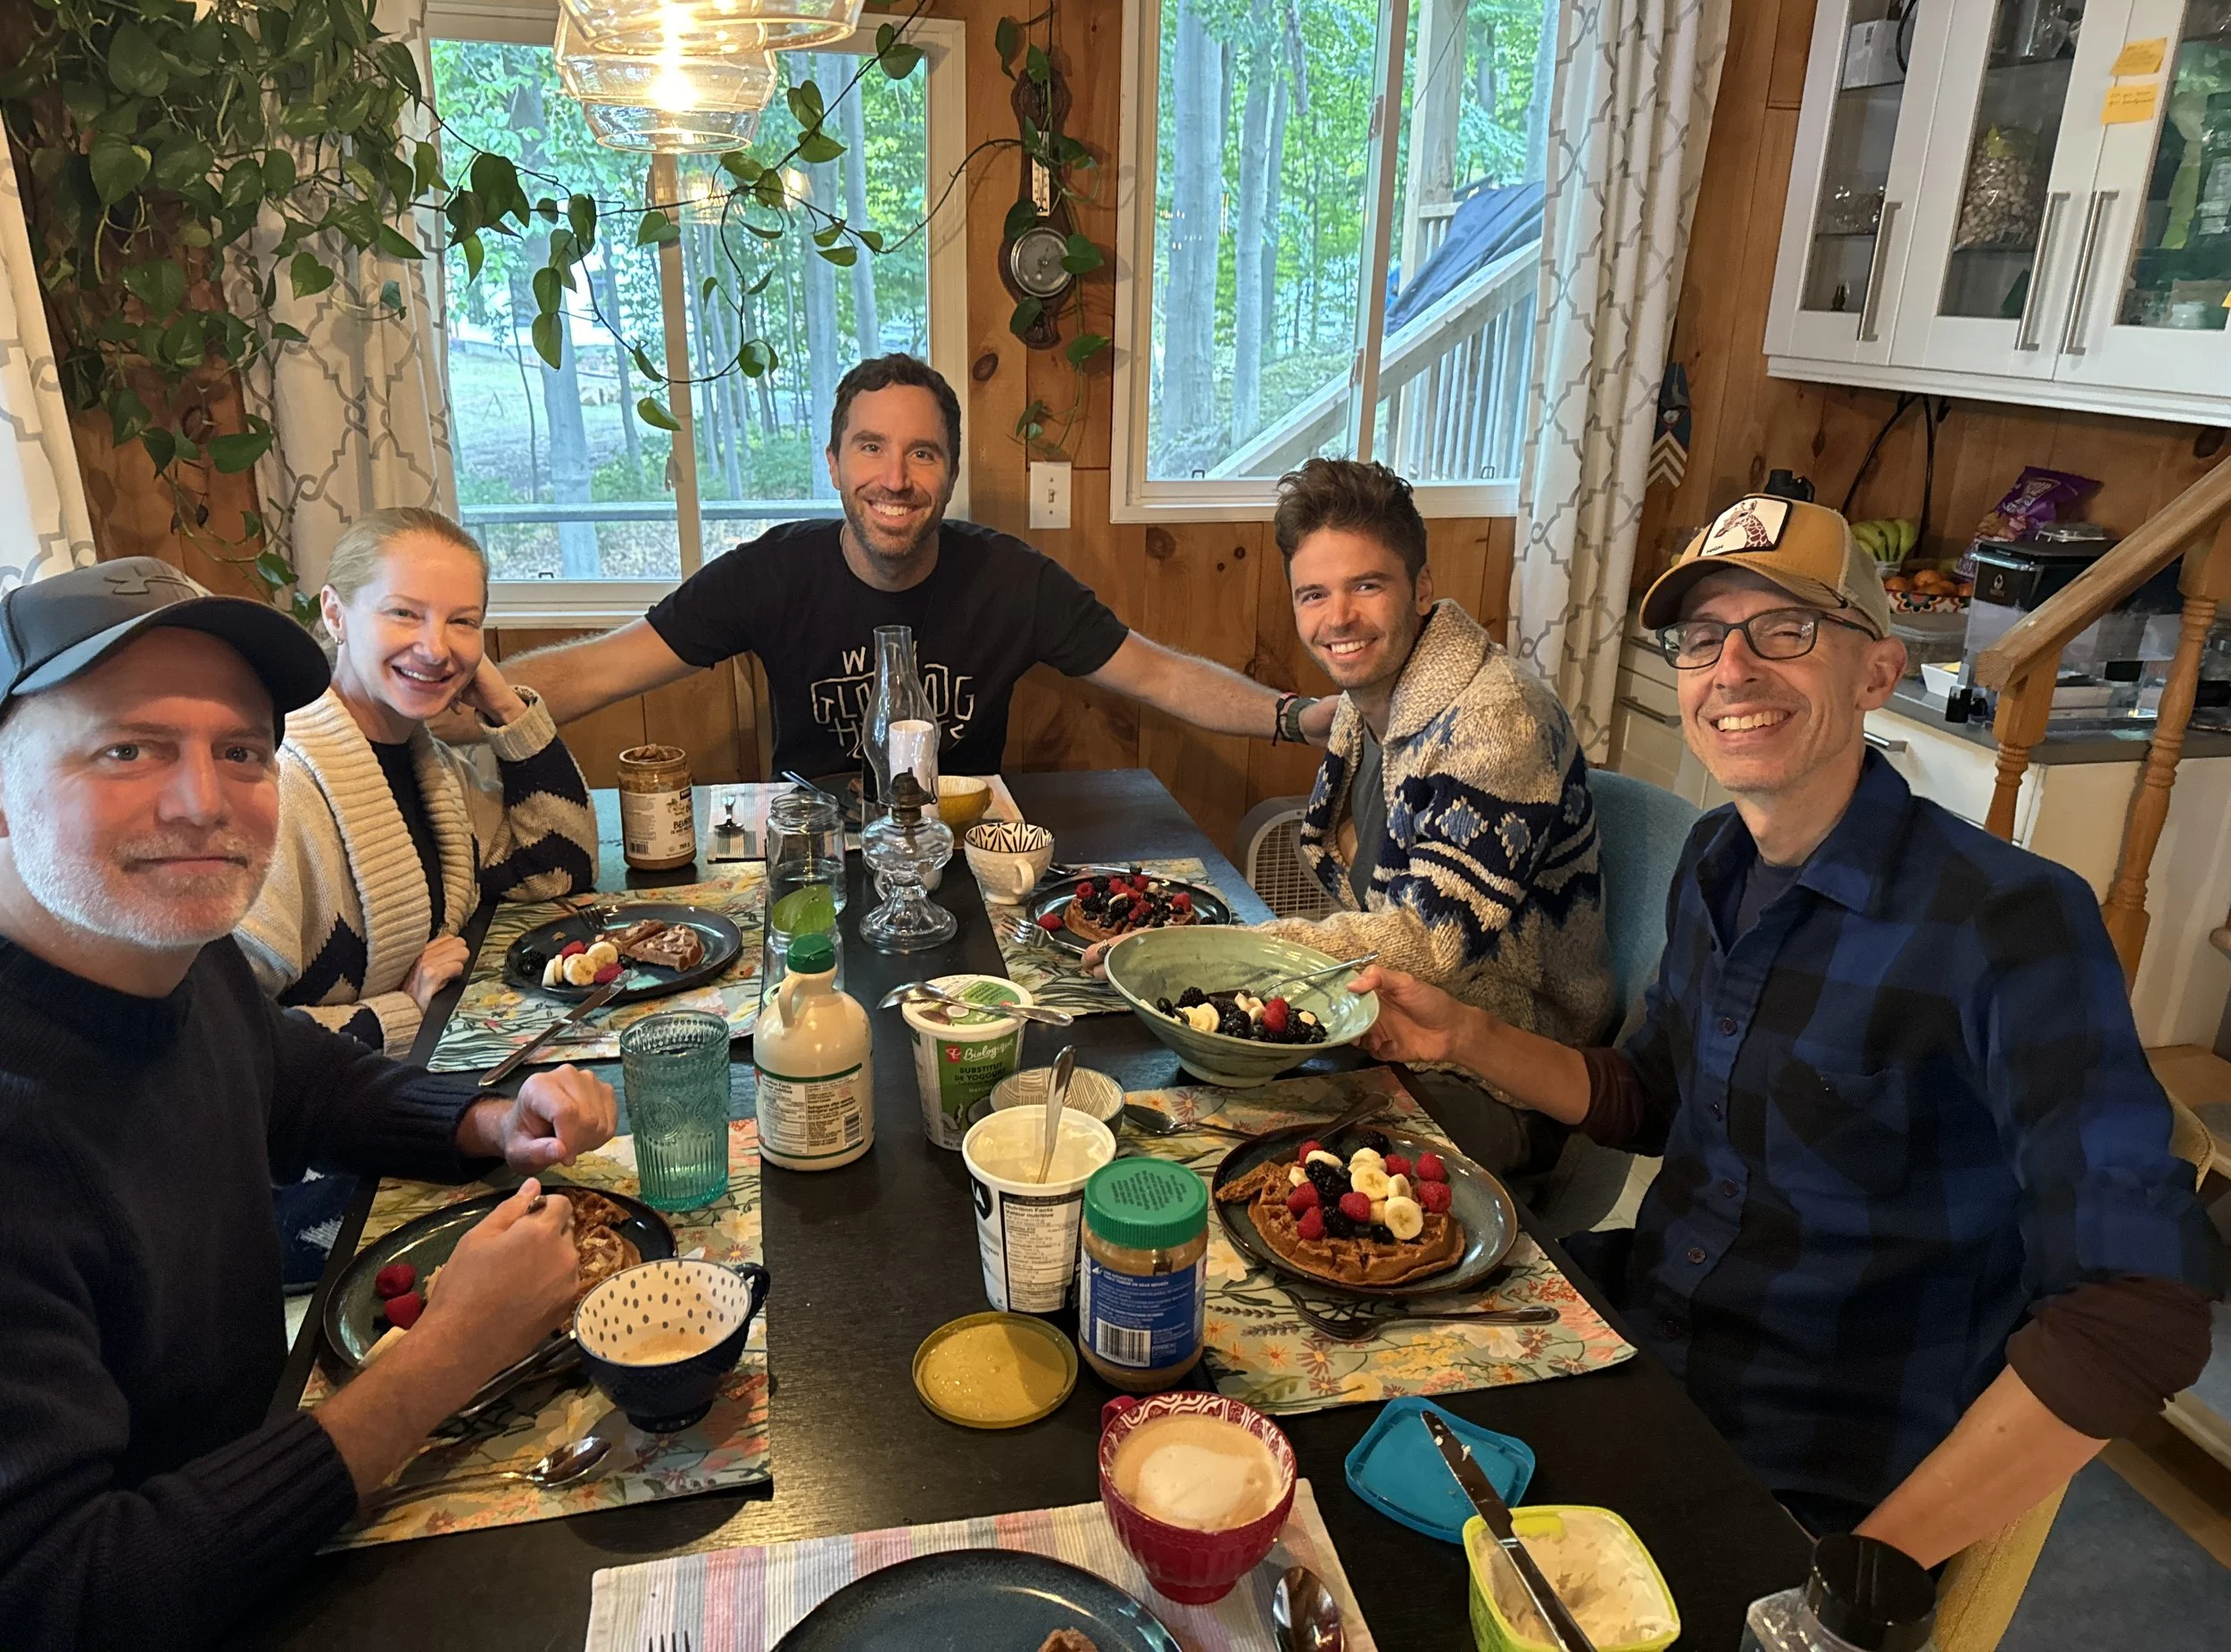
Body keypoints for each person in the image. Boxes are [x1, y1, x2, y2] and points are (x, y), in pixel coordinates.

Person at [1347, 495, 2218, 1565]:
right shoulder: (1717, 857)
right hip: (1640, 1346)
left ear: (1876, 673)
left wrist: (1855, 1583)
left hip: (1807, 1466)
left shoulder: (2009, 922)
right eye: (1704, 639)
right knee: (1335, 1427)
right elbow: (1651, 1097)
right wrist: (1462, 1037)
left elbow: (2136, 1308)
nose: (1733, 669)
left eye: (1786, 630)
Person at [0, 557, 618, 1648]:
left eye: (239, 751)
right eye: (128, 749)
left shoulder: (176, 964)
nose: (201, 802)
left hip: (269, 1492)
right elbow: (67, 1593)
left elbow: (296, 1076)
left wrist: (480, 1118)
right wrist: (446, 1356)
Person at [1092, 458, 1613, 1172]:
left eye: (1367, 585)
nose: (1337, 618)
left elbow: (1431, 939)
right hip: (1392, 1025)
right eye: (1313, 594)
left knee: (1213, 1147)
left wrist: (1233, 954)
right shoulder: (1368, 701)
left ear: (1422, 587)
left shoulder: (1497, 721)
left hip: (1504, 1079)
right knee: (1167, 1077)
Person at [501, 353, 1336, 776]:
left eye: (922, 454)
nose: (895, 479)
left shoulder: (1014, 580)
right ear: (833, 463)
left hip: (967, 866)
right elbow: (606, 668)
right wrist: (466, 701)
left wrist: (1301, 718)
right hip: (811, 873)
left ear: (950, 473)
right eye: (871, 448)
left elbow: (1160, 677)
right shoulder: (769, 574)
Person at [236, 508, 597, 1056]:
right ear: (335, 613)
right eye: (403, 613)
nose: (435, 648)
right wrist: (400, 1013)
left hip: (416, 1088)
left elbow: (557, 870)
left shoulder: (437, 769)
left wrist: (505, 708)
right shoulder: (279, 789)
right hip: (325, 1128)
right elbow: (226, 1036)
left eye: (463, 622)